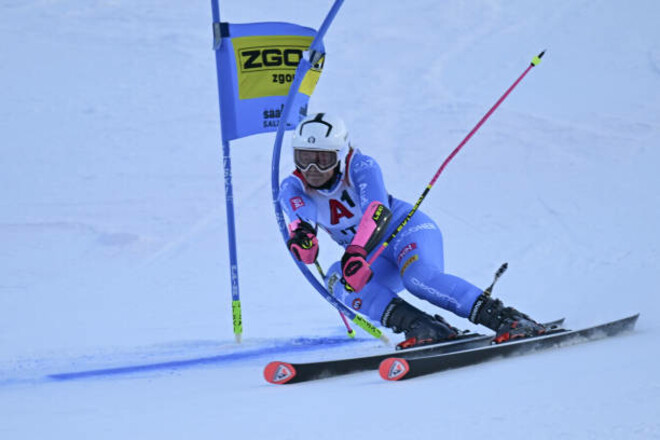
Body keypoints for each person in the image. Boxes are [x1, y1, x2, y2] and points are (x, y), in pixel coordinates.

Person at [279, 113, 546, 349]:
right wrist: (304, 242)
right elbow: (302, 223)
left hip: (406, 232)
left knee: (418, 278)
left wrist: (357, 251)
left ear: (340, 155)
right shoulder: (292, 187)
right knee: (337, 279)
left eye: (322, 160)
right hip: (372, 256)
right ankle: (424, 327)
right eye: (304, 159)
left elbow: (376, 211)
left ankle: (508, 319)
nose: (312, 170)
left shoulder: (360, 166)